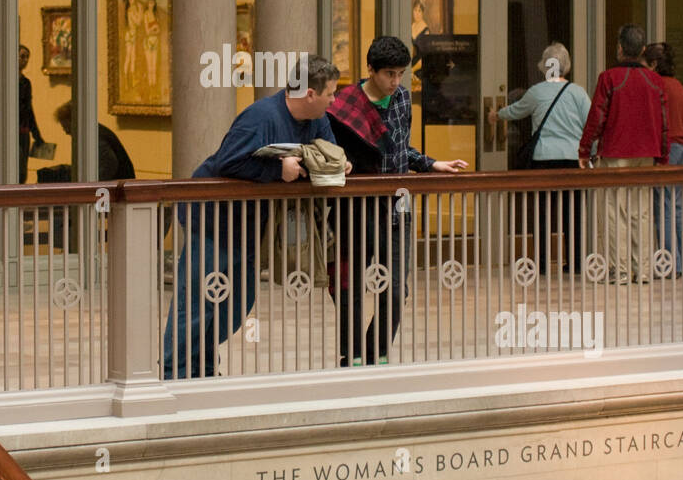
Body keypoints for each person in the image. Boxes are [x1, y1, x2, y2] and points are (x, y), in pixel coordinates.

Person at [163, 56, 350, 378]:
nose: (334, 99)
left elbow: (327, 150)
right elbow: (227, 163)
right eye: (331, 93)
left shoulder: (318, 120)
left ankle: (203, 367)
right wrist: (276, 169)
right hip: (212, 220)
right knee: (196, 302)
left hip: (251, 227)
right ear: (309, 93)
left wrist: (337, 165)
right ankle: (176, 372)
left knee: (236, 306)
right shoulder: (259, 117)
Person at [327, 36, 467, 366]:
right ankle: (355, 354)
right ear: (371, 70)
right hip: (356, 206)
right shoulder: (343, 105)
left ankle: (376, 352)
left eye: (401, 74)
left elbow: (401, 147)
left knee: (397, 285)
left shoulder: (402, 98)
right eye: (389, 74)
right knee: (351, 283)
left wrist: (430, 163)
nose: (396, 81)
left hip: (398, 201)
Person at [488, 43, 591, 274]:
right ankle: (574, 262)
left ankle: (543, 263)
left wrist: (496, 115)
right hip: (572, 159)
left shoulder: (536, 92)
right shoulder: (578, 92)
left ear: (545, 67)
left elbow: (516, 111)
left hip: (543, 159)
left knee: (542, 212)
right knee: (572, 213)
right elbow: (591, 122)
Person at [579, 24, 668, 284]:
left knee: (613, 212)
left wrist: (585, 149)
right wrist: (663, 155)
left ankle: (620, 271)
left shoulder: (609, 78)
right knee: (641, 211)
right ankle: (642, 270)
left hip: (616, 151)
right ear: (642, 50)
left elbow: (597, 117)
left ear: (619, 47)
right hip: (647, 153)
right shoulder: (656, 81)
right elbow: (664, 123)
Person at [645, 42, 683, 276]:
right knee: (678, 207)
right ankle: (682, 260)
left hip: (666, 148)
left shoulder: (657, 85)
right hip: (682, 146)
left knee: (664, 208)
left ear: (654, 64)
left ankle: (671, 263)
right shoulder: (679, 86)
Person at [43, 101, 136, 182]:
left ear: (75, 122)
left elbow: (108, 166)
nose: (66, 132)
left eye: (67, 128)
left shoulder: (94, 137)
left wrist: (89, 187)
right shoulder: (94, 132)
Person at [18, 45, 45, 184]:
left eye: (27, 57)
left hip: (23, 130)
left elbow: (28, 109)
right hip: (9, 131)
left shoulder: (26, 82)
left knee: (22, 170)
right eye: (22, 56)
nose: (25, 60)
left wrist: (36, 134)